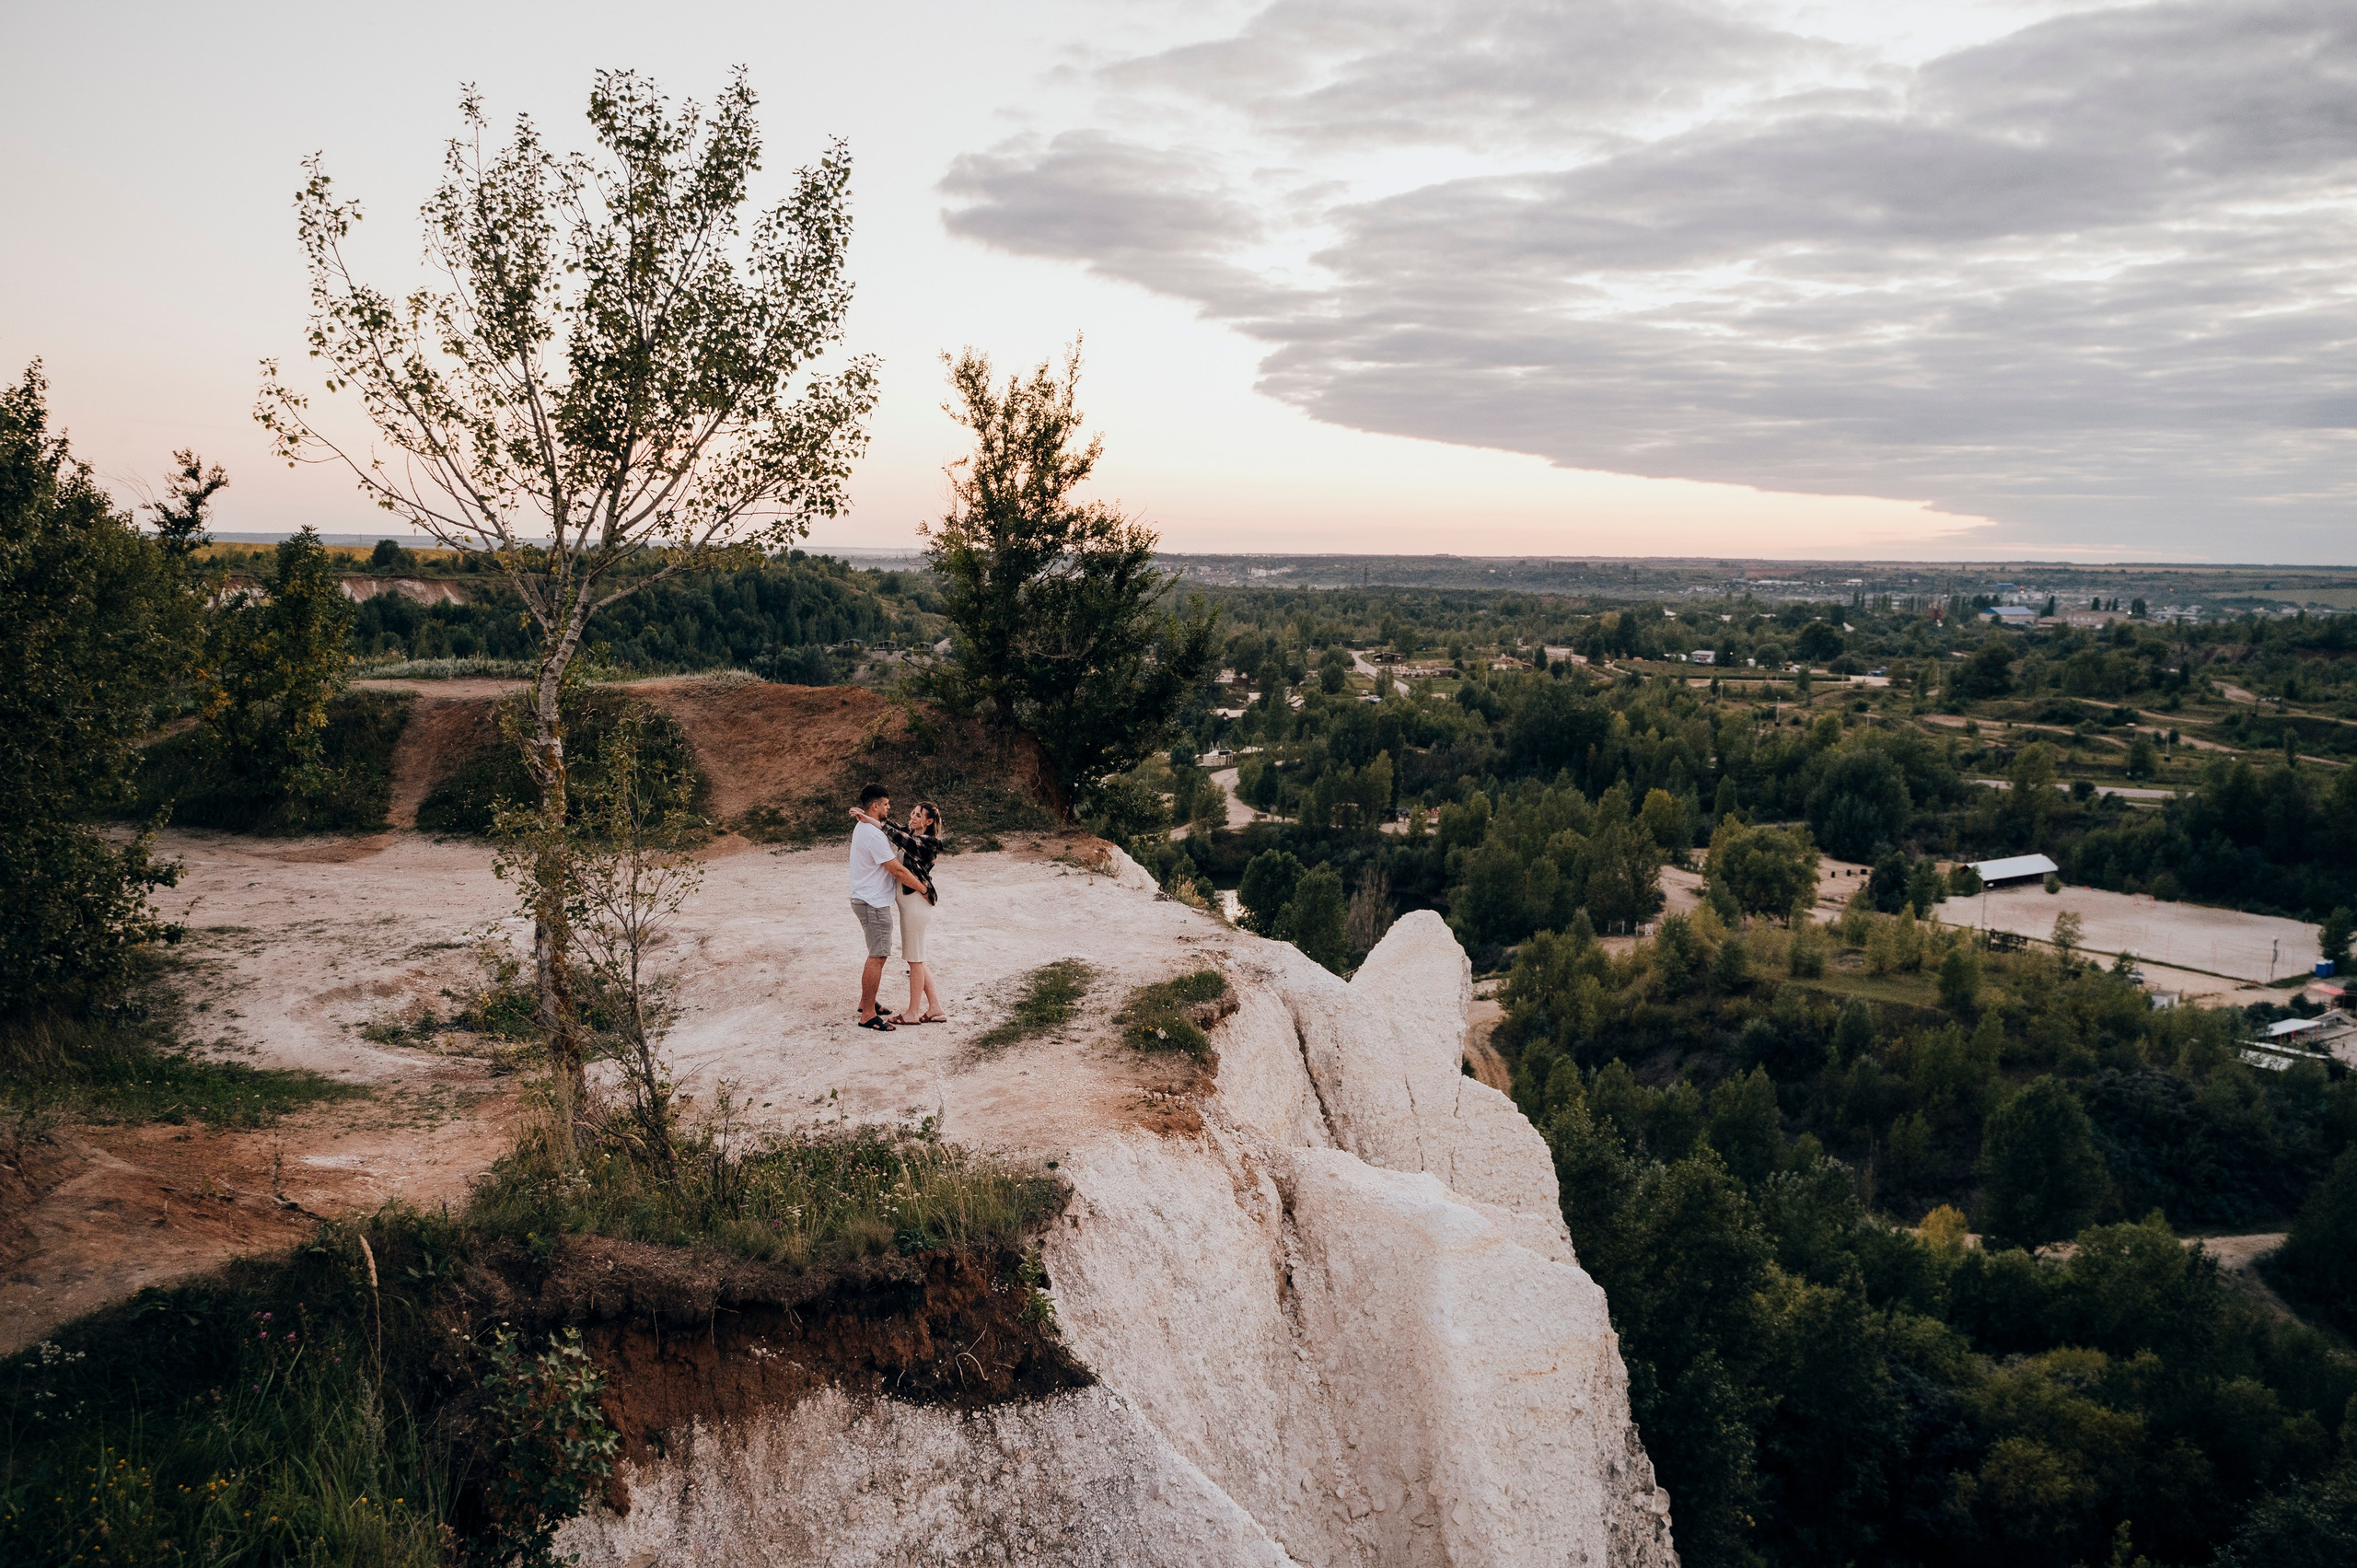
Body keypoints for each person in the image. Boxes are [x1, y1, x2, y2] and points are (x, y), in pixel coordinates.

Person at [853, 799, 946, 1024]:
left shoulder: (927, 842)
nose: (912, 817)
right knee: (918, 958)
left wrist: (870, 819)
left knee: (914, 960)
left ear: (929, 821)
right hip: (910, 905)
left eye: (918, 815)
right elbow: (892, 827)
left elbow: (895, 835)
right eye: (912, 813)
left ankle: (913, 1013)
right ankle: (935, 1007)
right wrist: (869, 816)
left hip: (915, 904)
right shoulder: (912, 834)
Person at [847, 783, 924, 1031]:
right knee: (878, 956)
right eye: (887, 804)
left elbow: (894, 832)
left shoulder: (865, 826)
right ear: (875, 806)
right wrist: (923, 889)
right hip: (873, 902)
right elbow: (896, 869)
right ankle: (868, 1014)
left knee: (879, 951)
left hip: (867, 898)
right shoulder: (872, 834)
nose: (890, 807)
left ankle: (865, 1002)